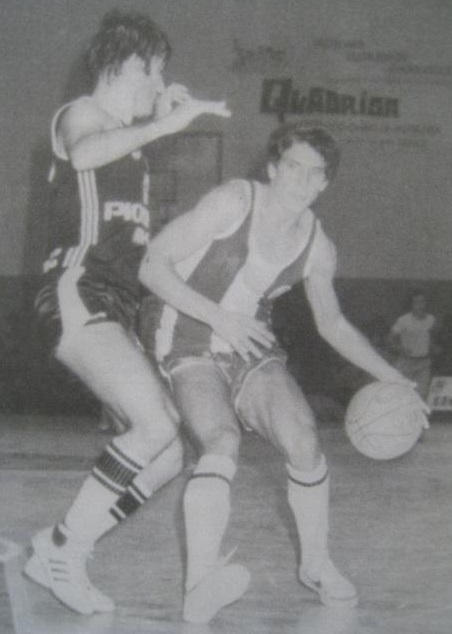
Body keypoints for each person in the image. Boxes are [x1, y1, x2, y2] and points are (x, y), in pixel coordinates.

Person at [139, 123, 423, 624]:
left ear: (324, 184)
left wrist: (394, 378)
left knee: (304, 437)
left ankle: (315, 564)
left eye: (314, 174)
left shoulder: (318, 247)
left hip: (249, 341)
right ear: (273, 169)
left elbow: (332, 324)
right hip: (185, 332)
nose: (301, 181)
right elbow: (151, 265)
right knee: (222, 439)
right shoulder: (233, 202)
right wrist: (219, 317)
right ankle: (199, 585)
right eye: (293, 167)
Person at [24, 10, 230, 616]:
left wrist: (152, 120)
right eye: (154, 70)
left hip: (115, 301)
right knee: (155, 426)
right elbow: (85, 154)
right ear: (123, 65)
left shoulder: (129, 142)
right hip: (77, 288)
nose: (160, 81)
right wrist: (164, 122)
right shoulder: (82, 114)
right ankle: (66, 552)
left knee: (169, 454)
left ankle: (61, 543)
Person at [388, 290, 438, 401]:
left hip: (424, 363)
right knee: (403, 393)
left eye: (423, 301)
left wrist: (433, 347)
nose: (420, 305)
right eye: (417, 302)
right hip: (406, 362)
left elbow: (429, 337)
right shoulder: (403, 320)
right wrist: (400, 348)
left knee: (422, 394)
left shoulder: (431, 319)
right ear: (411, 304)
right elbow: (390, 339)